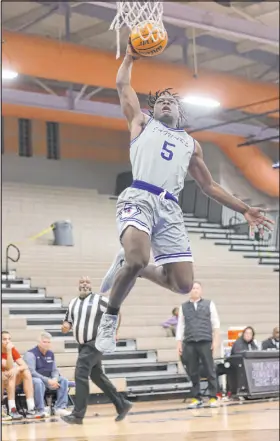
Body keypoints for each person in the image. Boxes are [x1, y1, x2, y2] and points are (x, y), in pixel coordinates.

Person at [95, 39, 273, 355]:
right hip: (140, 196)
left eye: (171, 102)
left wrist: (245, 209)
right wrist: (130, 58)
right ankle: (110, 317)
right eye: (160, 100)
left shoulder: (191, 145)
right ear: (153, 107)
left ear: (179, 112)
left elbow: (210, 187)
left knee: (183, 285)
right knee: (139, 258)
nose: (165, 103)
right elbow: (122, 84)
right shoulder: (140, 122)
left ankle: (124, 262)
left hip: (170, 209)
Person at [60, 276, 131, 425]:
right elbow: (68, 321)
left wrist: (113, 332)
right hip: (82, 345)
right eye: (82, 282)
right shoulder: (73, 303)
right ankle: (122, 404)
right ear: (78, 285)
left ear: (91, 285)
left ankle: (77, 415)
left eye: (87, 282)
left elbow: (116, 312)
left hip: (95, 343)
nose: (84, 284)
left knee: (80, 374)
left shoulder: (99, 300)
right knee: (97, 376)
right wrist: (66, 326)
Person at [176, 282, 220, 408]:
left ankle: (213, 397)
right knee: (193, 371)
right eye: (192, 288)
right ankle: (196, 398)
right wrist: (178, 342)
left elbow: (215, 323)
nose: (194, 290)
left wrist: (215, 340)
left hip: (205, 340)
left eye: (197, 288)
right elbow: (180, 326)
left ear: (201, 290)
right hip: (189, 342)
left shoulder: (209, 304)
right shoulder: (183, 307)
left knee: (209, 369)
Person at [24, 332, 71, 417]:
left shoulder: (51, 353)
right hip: (34, 379)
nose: (47, 344)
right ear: (39, 343)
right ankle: (40, 410)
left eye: (49, 342)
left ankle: (60, 408)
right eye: (44, 342)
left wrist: (55, 379)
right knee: (38, 382)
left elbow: (55, 370)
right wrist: (48, 380)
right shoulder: (30, 354)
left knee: (63, 380)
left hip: (48, 379)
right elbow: (31, 372)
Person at [1, 331, 42, 420]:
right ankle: (12, 409)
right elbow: (9, 366)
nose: (7, 341)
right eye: (4, 339)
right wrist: (8, 351)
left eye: (9, 339)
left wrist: (16, 369)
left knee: (25, 372)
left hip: (9, 378)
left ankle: (31, 409)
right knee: (9, 373)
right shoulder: (9, 350)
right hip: (3, 379)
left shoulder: (12, 349)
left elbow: (24, 365)